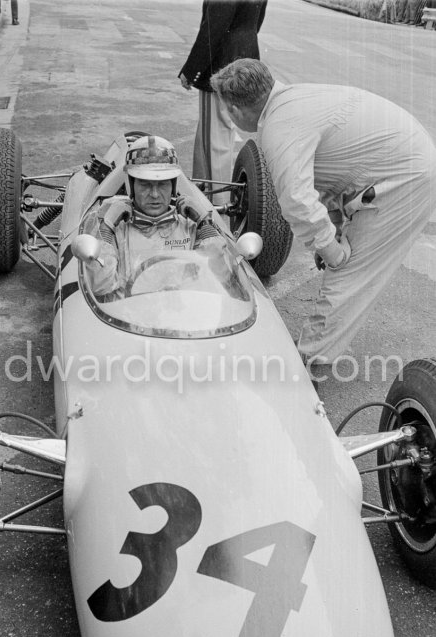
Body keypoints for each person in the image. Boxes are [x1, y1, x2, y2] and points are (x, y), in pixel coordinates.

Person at [210, 59, 436, 364]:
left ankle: (307, 363)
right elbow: (329, 176)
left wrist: (332, 250)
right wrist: (331, 231)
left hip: (405, 178)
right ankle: (313, 349)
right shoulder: (294, 99)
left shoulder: (280, 129)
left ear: (235, 110)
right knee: (341, 257)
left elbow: (298, 200)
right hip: (397, 159)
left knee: (348, 270)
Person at [85, 135, 225, 299]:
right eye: (144, 184)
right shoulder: (114, 230)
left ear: (173, 186)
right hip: (127, 318)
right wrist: (107, 226)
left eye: (163, 184)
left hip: (182, 315)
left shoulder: (190, 226)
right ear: (131, 185)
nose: (154, 194)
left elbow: (219, 276)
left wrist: (205, 223)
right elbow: (100, 286)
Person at [179, 0, 267, 204]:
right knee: (213, 133)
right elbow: (256, 22)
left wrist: (192, 70)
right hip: (243, 59)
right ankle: (200, 191)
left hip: (221, 64)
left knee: (214, 136)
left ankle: (217, 204)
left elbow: (213, 28)